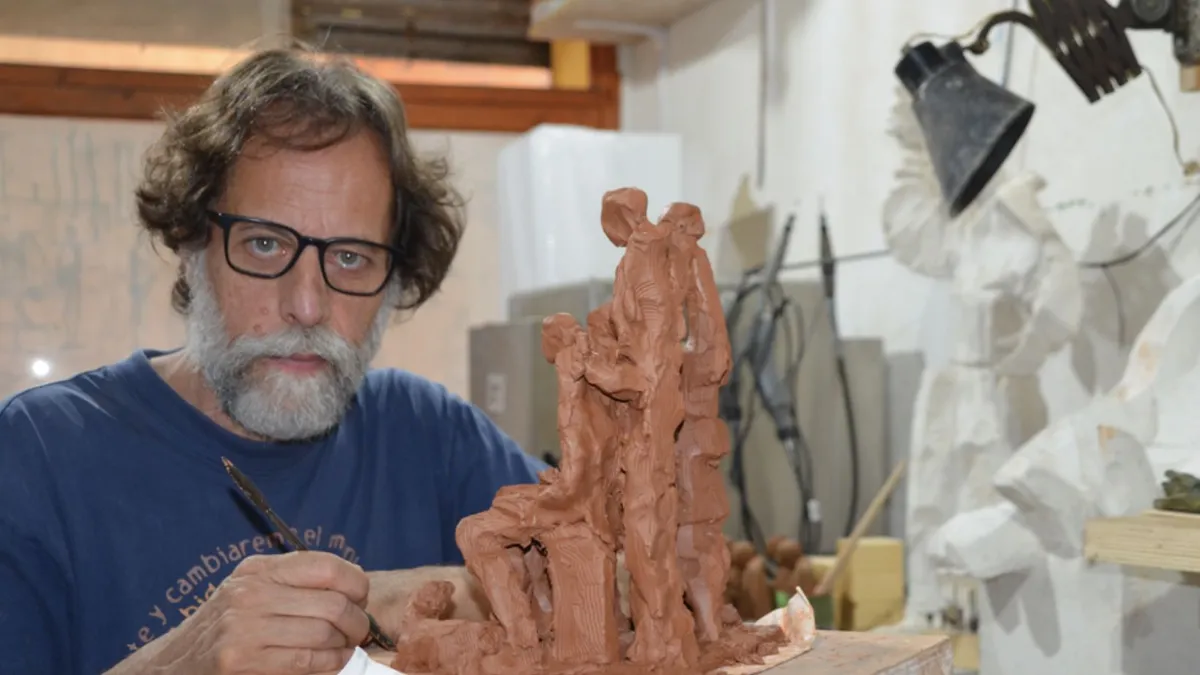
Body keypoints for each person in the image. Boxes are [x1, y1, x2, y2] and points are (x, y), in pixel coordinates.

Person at [0, 46, 544, 675]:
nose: (307, 306)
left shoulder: (432, 435)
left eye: (350, 257)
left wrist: (393, 598)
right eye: (263, 244)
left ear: (393, 280)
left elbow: (609, 578)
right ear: (191, 244)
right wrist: (179, 662)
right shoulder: (37, 452)